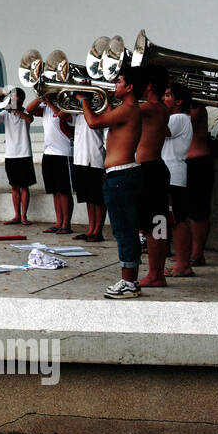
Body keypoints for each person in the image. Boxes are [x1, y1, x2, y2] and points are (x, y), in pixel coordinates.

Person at [82, 68, 144, 298]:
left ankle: (128, 283)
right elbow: (109, 117)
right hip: (120, 176)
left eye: (118, 81)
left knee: (124, 231)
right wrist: (102, 99)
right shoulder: (126, 110)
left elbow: (93, 122)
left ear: (129, 87)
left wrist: (84, 101)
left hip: (121, 177)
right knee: (125, 229)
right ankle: (130, 281)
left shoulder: (128, 109)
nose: (114, 84)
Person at [136, 67, 172, 288]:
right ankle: (156, 273)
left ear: (149, 86)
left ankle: (156, 274)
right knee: (155, 224)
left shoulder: (152, 107)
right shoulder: (157, 108)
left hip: (150, 169)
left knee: (154, 225)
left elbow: (122, 112)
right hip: (153, 168)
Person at [27, 92, 74, 234]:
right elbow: (29, 109)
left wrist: (51, 102)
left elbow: (63, 116)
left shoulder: (65, 105)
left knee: (64, 190)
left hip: (63, 152)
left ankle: (66, 223)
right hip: (48, 152)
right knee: (54, 190)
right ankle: (59, 222)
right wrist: (42, 97)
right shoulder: (45, 106)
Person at [162, 83, 195, 277]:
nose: (163, 98)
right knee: (169, 220)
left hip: (173, 175)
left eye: (167, 95)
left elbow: (159, 131)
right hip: (168, 175)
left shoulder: (179, 118)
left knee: (178, 221)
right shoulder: (174, 118)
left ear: (179, 101)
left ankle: (183, 264)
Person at [0, 89, 34, 225]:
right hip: (10, 154)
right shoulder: (5, 113)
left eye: (15, 98)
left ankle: (24, 216)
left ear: (21, 99)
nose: (12, 100)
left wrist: (17, 111)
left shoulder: (26, 111)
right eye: (11, 98)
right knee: (14, 186)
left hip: (24, 153)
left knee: (24, 186)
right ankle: (16, 216)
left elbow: (29, 119)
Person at [185, 99, 215, 266]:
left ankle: (197, 254)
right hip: (184, 162)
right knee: (184, 212)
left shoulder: (197, 108)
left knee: (199, 211)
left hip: (198, 162)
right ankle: (188, 252)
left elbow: (183, 124)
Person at [71, 108, 106, 242]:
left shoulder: (98, 109)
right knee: (88, 198)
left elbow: (94, 123)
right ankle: (91, 229)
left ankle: (98, 230)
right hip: (80, 158)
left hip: (94, 158)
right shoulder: (78, 112)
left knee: (97, 198)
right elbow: (63, 116)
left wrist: (83, 101)